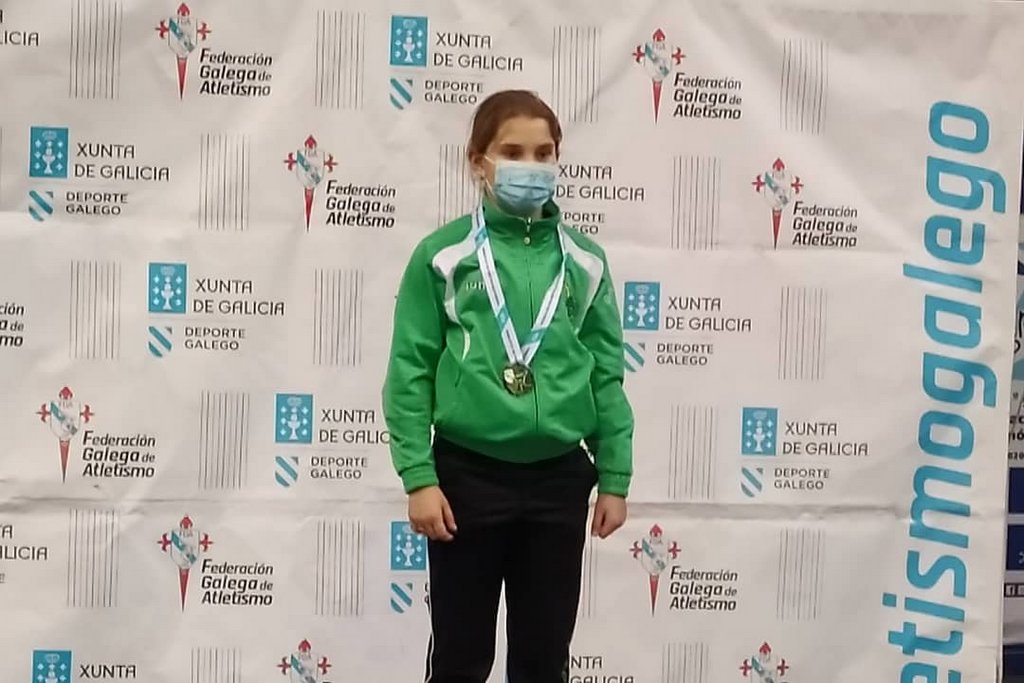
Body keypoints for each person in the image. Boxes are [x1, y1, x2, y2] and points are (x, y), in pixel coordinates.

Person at [382, 89, 634, 683]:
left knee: (544, 661)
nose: (531, 166)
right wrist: (419, 477)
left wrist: (615, 475)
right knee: (461, 659)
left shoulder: (584, 261)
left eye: (544, 153)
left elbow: (605, 372)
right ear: (479, 162)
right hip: (467, 480)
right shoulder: (444, 257)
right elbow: (410, 370)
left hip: (558, 482)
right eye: (513, 152)